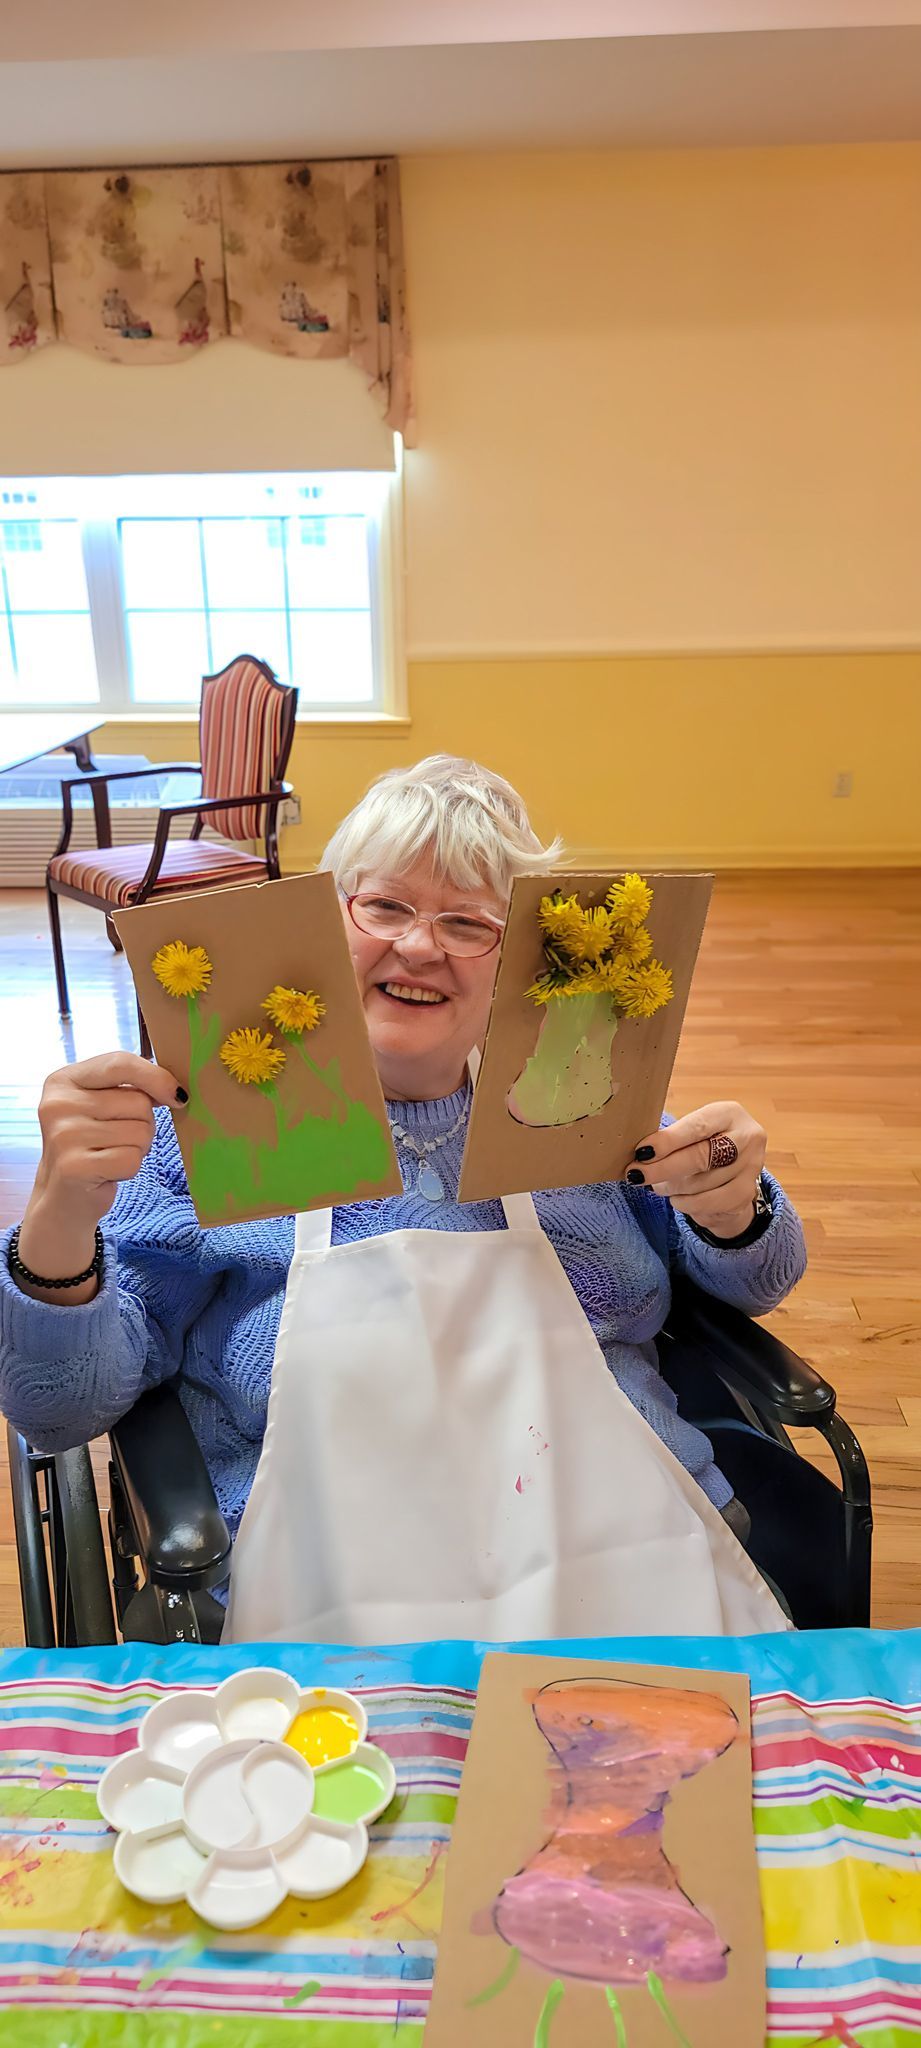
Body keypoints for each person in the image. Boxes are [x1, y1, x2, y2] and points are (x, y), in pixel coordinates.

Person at [0, 756, 806, 1642]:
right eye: (383, 906)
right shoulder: (207, 1133)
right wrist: (60, 1218)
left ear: (521, 960)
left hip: (627, 1574)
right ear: (319, 919)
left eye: (469, 922)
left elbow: (753, 1282)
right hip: (331, 1609)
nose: (418, 946)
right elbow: (59, 1406)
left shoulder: (577, 1103)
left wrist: (733, 1206)